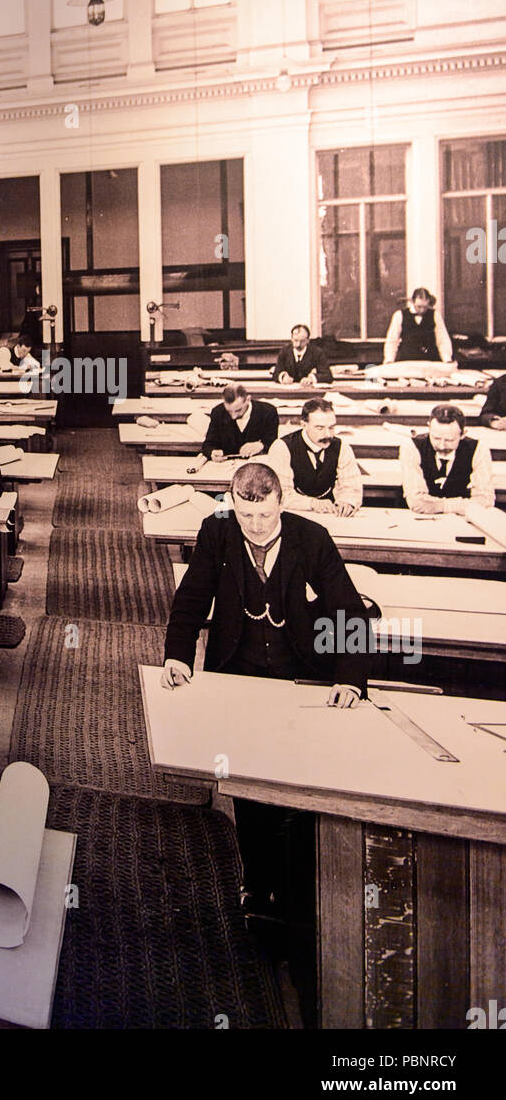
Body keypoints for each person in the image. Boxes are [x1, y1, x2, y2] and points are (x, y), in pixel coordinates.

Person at [160, 463, 370, 959]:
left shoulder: (311, 538)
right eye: (244, 512)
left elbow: (351, 614)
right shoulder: (217, 531)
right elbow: (191, 599)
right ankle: (256, 886)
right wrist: (177, 653)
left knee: (298, 786)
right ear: (233, 502)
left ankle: (298, 892)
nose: (253, 524)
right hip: (238, 671)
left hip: (299, 675)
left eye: (263, 513)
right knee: (248, 785)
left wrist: (350, 680)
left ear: (281, 502)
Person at [267, 397, 362, 516]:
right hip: (294, 514)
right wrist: (312, 503)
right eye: (320, 428)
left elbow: (352, 487)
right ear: (303, 425)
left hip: (331, 515)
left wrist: (348, 502)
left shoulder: (343, 447)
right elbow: (281, 494)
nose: (328, 434)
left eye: (331, 427)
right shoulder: (282, 448)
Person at [400, 404, 494, 514]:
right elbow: (416, 502)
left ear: (463, 434)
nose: (441, 446)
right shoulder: (411, 446)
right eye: (436, 438)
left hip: (461, 521)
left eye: (449, 440)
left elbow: (486, 500)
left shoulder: (478, 448)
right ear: (429, 428)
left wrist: (435, 505)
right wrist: (462, 505)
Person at [187, 385, 279, 472]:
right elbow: (208, 445)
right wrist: (212, 452)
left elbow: (274, 444)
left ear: (247, 400)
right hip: (225, 468)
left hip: (256, 469)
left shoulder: (268, 412)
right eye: (229, 411)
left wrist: (261, 445)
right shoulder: (218, 412)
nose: (233, 416)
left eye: (238, 410)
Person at [383, 287, 452, 364]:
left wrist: (447, 359)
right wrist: (389, 359)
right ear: (412, 302)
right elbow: (392, 340)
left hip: (430, 362)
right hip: (407, 362)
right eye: (419, 307)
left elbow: (442, 339)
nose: (422, 310)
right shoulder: (399, 315)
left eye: (425, 307)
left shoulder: (435, 315)